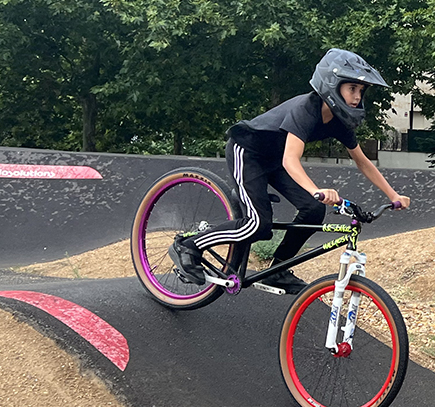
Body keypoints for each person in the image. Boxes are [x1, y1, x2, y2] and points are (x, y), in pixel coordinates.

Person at [169, 48, 411, 294]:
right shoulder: (306, 109)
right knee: (257, 225)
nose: (357, 96)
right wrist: (316, 190)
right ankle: (189, 245)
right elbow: (291, 160)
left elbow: (363, 161)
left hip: (274, 159)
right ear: (332, 84)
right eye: (352, 88)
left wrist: (393, 195)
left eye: (361, 90)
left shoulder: (339, 121)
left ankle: (278, 270)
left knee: (313, 209)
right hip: (248, 152)